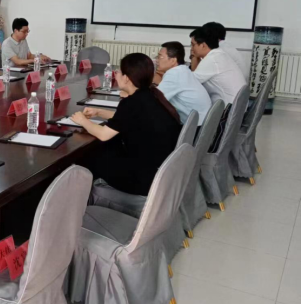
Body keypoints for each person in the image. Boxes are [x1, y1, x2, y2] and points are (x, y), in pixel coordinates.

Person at [71, 53, 182, 196]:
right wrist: (99, 112)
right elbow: (131, 118)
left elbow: (104, 134)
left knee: (90, 155)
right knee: (108, 145)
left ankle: (85, 198)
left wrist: (82, 121)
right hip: (159, 169)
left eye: (119, 72)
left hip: (144, 178)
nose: (116, 74)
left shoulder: (132, 103)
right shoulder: (150, 94)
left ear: (127, 78)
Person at [153, 41, 212, 125]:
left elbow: (154, 100)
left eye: (160, 57)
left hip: (194, 128)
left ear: (173, 60)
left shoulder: (174, 74)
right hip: (204, 124)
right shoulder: (183, 70)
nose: (157, 60)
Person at [190, 26, 246, 105]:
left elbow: (190, 83)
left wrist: (194, 57)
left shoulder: (212, 59)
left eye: (193, 45)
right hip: (237, 106)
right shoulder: (218, 54)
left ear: (203, 45)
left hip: (228, 109)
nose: (191, 49)